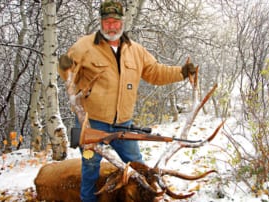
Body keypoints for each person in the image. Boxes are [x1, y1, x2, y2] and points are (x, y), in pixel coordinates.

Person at [58, 1, 196, 201]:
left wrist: (182, 72)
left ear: (123, 22)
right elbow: (67, 73)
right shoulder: (83, 47)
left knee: (139, 168)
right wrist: (63, 66)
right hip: (91, 124)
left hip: (124, 125)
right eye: (107, 21)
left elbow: (155, 72)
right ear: (100, 22)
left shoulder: (136, 50)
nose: (111, 26)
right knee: (90, 166)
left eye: (115, 21)